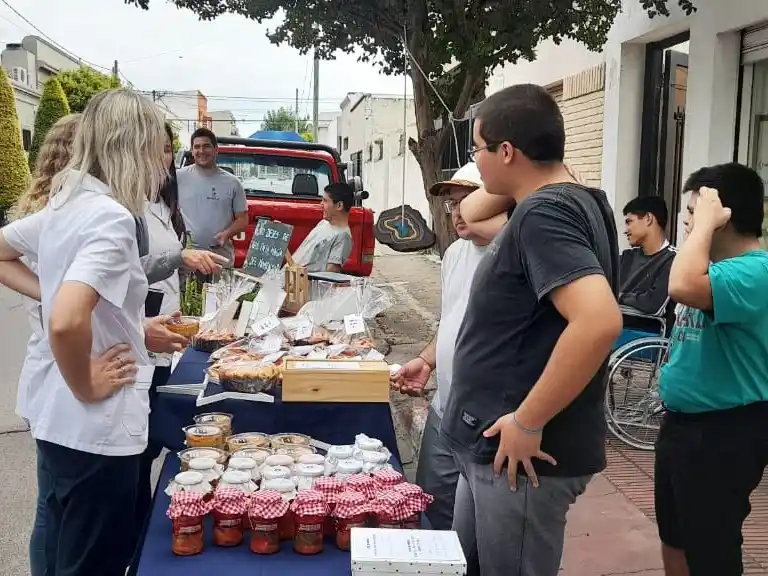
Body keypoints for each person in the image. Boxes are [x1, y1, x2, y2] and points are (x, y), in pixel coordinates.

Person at [0, 89, 187, 575]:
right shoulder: (110, 217)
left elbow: (4, 253)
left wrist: (126, 323)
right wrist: (86, 378)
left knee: (66, 551)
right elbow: (66, 319)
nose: (163, 163)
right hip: (94, 425)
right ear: (134, 147)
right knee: (93, 561)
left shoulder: (70, 202)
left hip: (62, 421)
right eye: (157, 149)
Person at [443, 84, 622, 576]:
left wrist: (527, 421)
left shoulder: (545, 213)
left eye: (478, 150)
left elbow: (599, 321)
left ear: (507, 151)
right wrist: (512, 174)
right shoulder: (553, 200)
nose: (474, 165)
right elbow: (474, 211)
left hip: (518, 455)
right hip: (491, 447)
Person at [655, 163, 768, 576]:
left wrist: (703, 226)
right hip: (684, 426)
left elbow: (680, 286)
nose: (686, 221)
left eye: (693, 211)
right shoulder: (712, 270)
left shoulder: (757, 272)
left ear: (723, 216)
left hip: (724, 432)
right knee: (675, 536)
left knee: (711, 548)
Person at [132, 123, 228, 553]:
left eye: (168, 150)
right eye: (159, 150)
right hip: (138, 335)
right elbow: (133, 267)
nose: (165, 159)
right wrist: (179, 257)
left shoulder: (162, 202)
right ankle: (137, 534)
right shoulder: (125, 206)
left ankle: (138, 523)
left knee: (144, 444)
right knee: (138, 449)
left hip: (161, 329)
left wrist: (187, 263)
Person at [391, 162, 490, 531]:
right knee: (432, 504)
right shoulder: (454, 254)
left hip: (489, 418)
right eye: (451, 204)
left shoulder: (516, 253)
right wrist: (426, 360)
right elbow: (449, 321)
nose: (458, 213)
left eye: (468, 200)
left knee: (482, 525)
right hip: (444, 406)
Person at [177, 127, 248, 267]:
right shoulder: (178, 177)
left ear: (216, 149)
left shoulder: (233, 183)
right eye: (197, 147)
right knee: (187, 289)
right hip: (187, 259)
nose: (201, 151)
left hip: (219, 258)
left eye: (206, 146)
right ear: (192, 151)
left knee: (217, 289)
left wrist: (226, 234)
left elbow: (243, 219)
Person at [619, 196, 676, 326]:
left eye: (629, 222)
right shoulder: (625, 258)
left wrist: (620, 297)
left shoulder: (673, 259)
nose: (625, 230)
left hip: (646, 339)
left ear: (648, 219)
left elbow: (654, 304)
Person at [292, 182, 354, 273]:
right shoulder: (323, 223)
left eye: (325, 201)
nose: (321, 204)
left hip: (302, 285)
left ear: (339, 206)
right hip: (289, 279)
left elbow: (331, 274)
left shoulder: (343, 236)